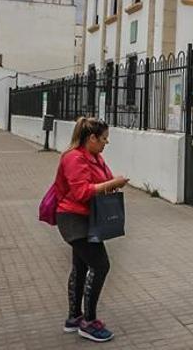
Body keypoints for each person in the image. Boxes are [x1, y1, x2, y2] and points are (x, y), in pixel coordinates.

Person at [53, 117, 129, 342]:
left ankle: (74, 317)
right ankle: (88, 322)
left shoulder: (95, 156)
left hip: (88, 218)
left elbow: (101, 181)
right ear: (91, 138)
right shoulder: (73, 158)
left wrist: (111, 181)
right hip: (74, 219)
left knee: (80, 266)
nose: (106, 143)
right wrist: (113, 184)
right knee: (100, 265)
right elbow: (81, 192)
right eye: (104, 138)